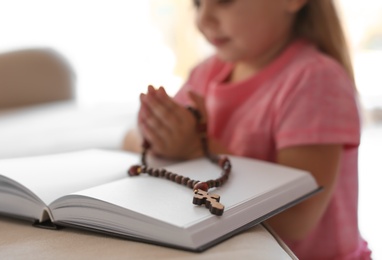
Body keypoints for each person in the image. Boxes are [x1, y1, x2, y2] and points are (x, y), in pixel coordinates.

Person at [122, 0, 372, 259]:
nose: (203, 19)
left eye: (224, 1)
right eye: (197, 3)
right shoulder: (208, 72)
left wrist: (198, 149)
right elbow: (130, 136)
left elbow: (299, 220)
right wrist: (156, 135)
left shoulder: (315, 80)